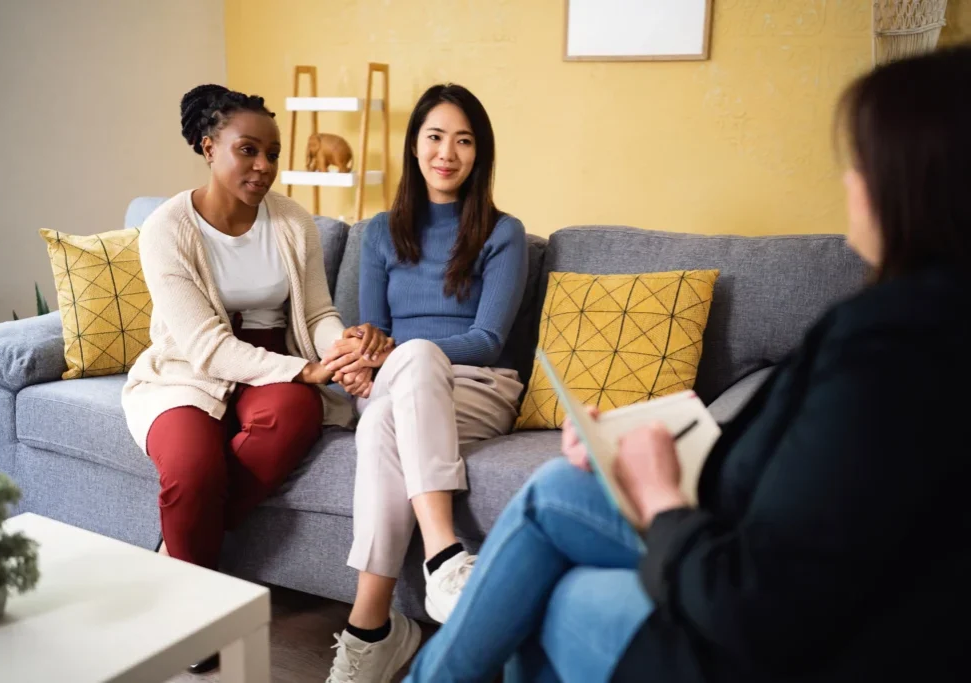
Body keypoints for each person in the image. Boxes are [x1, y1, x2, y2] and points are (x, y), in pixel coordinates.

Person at [402, 45, 971, 683]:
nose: (849, 182)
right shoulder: (906, 324)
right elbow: (797, 462)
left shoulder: (893, 353)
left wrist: (664, 499)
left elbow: (759, 604)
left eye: (863, 163)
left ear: (918, 182)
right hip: (739, 543)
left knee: (546, 593)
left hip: (749, 625)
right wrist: (637, 448)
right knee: (559, 489)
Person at [122, 85, 390, 673]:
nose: (264, 166)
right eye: (248, 150)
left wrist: (339, 349)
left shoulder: (292, 220)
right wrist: (308, 370)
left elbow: (316, 315)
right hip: (189, 371)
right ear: (208, 145)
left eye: (272, 152)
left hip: (276, 359)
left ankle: (180, 561)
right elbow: (204, 345)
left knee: (293, 416)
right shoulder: (166, 229)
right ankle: (195, 610)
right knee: (191, 468)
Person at [321, 84, 529, 683]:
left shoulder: (502, 232)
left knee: (399, 387)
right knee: (386, 411)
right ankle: (387, 617)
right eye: (436, 137)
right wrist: (364, 357)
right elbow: (376, 329)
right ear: (414, 146)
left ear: (479, 155)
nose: (448, 152)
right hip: (397, 388)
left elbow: (489, 339)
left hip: (477, 387)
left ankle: (392, 608)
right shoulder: (381, 233)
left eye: (464, 141)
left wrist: (398, 356)